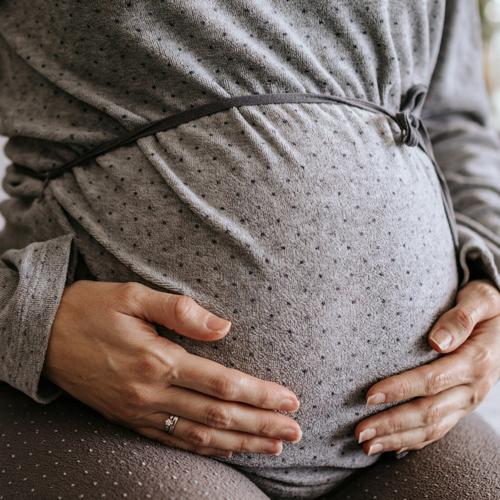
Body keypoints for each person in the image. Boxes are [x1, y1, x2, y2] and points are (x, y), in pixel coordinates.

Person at [1, 0, 500, 498]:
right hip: (106, 418)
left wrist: (492, 275)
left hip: (409, 426)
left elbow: (453, 123)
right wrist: (26, 320)